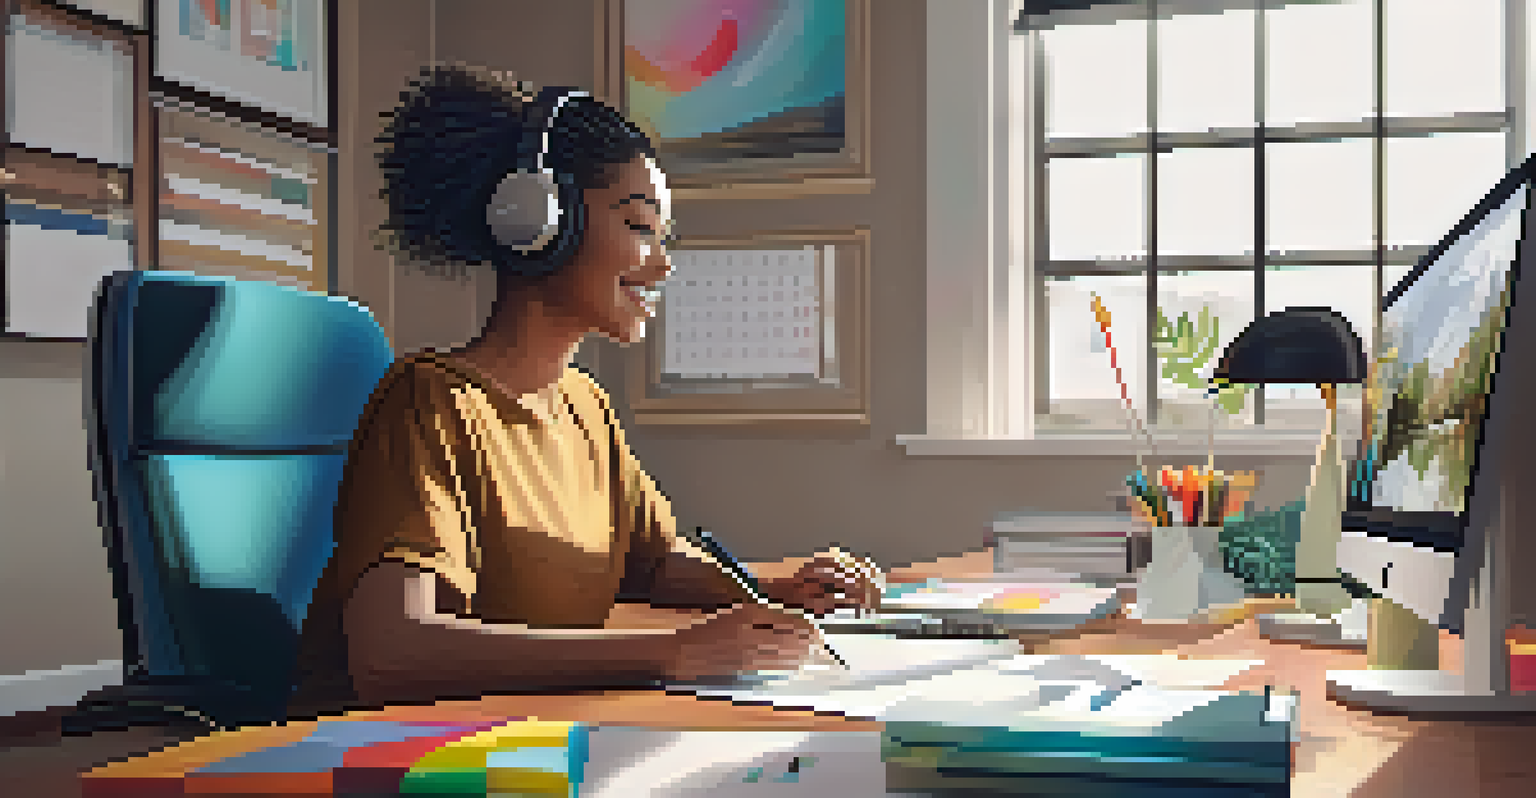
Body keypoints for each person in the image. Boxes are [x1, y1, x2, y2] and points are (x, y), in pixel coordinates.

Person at [288, 65, 883, 716]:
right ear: (539, 219)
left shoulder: (584, 406)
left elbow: (654, 563)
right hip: (374, 751)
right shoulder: (431, 405)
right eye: (640, 228)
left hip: (520, 734)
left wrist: (776, 587)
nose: (663, 264)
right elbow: (392, 653)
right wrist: (671, 652)